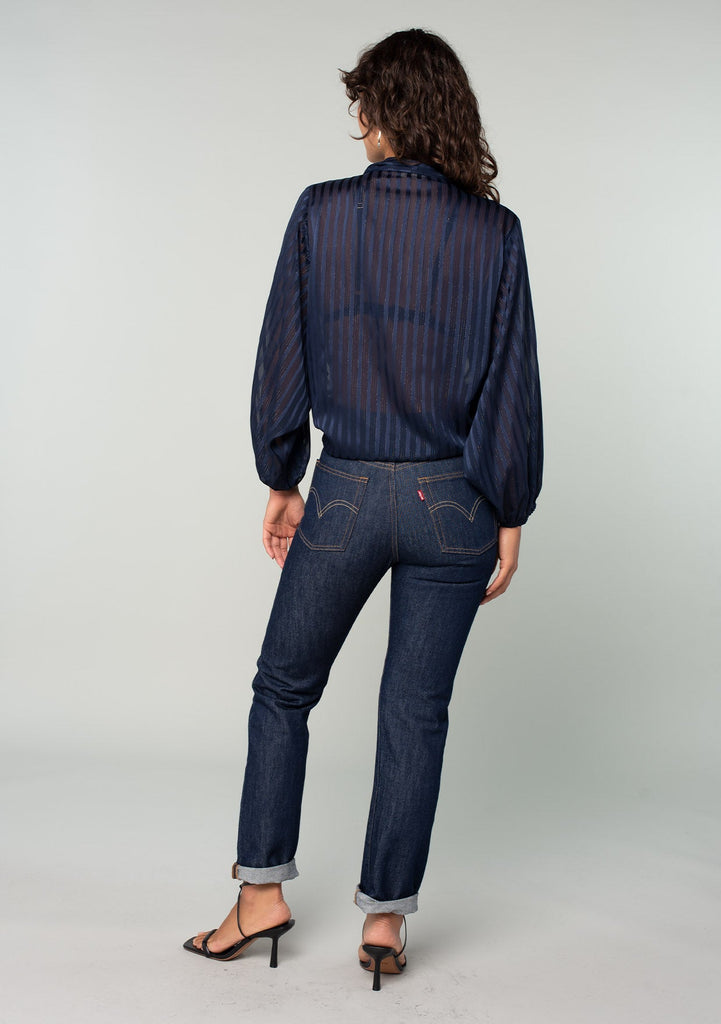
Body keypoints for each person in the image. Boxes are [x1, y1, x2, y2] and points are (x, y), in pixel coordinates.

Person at [183, 27, 543, 991]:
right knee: (414, 714)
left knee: (282, 690)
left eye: (362, 108)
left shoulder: (321, 214)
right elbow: (511, 385)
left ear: (380, 113)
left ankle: (260, 897)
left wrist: (280, 473)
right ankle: (384, 924)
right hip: (455, 502)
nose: (357, 125)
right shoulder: (493, 232)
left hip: (344, 490)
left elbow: (282, 354)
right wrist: (509, 508)